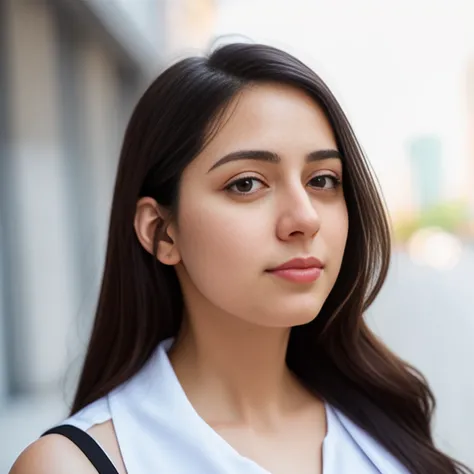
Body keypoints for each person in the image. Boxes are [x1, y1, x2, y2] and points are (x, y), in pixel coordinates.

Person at [10, 42, 472, 474]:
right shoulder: (78, 464)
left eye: (323, 180)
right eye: (247, 183)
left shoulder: (385, 429)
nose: (304, 218)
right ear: (160, 231)